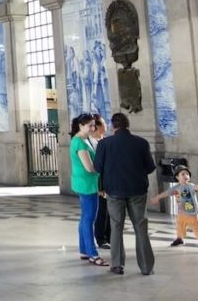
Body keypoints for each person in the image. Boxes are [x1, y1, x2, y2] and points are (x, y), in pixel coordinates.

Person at [94, 112, 156, 276]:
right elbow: (150, 167)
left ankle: (117, 264)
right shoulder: (141, 143)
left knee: (116, 226)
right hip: (137, 190)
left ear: (113, 126)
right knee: (141, 227)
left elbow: (97, 167)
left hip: (114, 191)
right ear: (127, 125)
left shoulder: (104, 144)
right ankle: (146, 267)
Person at [70, 113, 106, 266]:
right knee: (89, 218)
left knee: (86, 217)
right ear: (81, 125)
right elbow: (89, 167)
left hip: (86, 183)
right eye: (89, 125)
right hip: (87, 184)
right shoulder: (79, 142)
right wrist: (103, 169)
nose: (93, 128)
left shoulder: (84, 139)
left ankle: (84, 250)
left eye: (93, 125)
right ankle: (92, 253)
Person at [151, 165, 198, 254]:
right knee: (179, 226)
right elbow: (167, 193)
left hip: (191, 213)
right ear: (177, 177)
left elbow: (195, 187)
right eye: (183, 174)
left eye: (187, 174)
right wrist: (158, 197)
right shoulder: (176, 188)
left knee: (197, 228)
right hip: (181, 213)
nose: (186, 176)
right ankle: (179, 239)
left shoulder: (190, 186)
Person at [88, 114, 111, 250]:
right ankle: (101, 238)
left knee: (109, 210)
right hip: (97, 181)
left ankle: (109, 236)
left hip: (109, 181)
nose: (106, 126)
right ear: (97, 127)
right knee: (101, 211)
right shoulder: (90, 143)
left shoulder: (106, 141)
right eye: (103, 123)